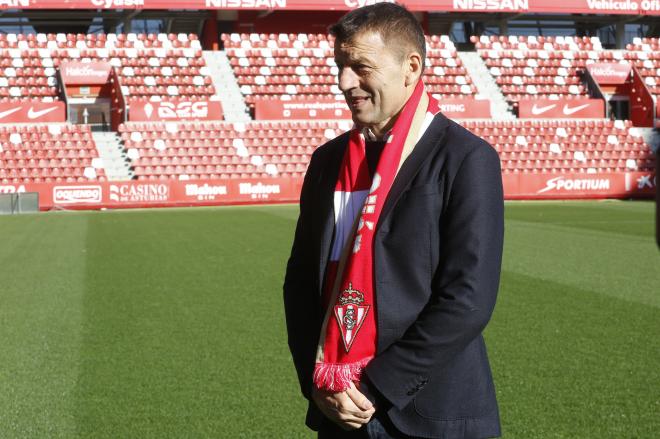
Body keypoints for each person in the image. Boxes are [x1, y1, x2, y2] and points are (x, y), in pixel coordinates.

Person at [283, 3, 504, 438]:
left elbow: (467, 299)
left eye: (360, 67)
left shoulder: (466, 159)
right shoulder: (327, 162)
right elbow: (301, 283)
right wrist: (319, 384)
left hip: (432, 414)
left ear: (411, 67)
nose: (345, 82)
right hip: (337, 409)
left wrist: (372, 386)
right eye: (340, 67)